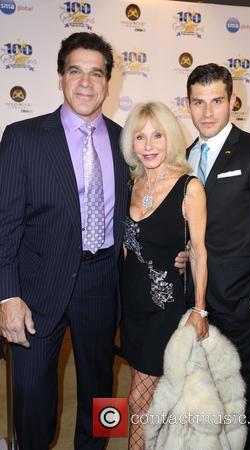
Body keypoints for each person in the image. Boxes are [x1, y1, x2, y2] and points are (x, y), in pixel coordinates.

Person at [0, 32, 129, 450]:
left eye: (97, 73)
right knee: (31, 393)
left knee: (102, 387)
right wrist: (7, 296)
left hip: (102, 279)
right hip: (36, 286)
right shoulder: (22, 137)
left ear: (108, 82)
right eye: (76, 71)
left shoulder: (126, 141)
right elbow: (4, 224)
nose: (87, 83)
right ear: (60, 77)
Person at [185, 63, 250, 450]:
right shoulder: (187, 155)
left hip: (241, 302)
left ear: (231, 102)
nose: (207, 112)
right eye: (199, 102)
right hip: (195, 303)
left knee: (246, 399)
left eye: (216, 101)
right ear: (188, 104)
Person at [119, 101, 209, 449]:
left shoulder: (190, 188)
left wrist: (199, 309)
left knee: (139, 400)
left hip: (165, 311)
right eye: (140, 137)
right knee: (153, 399)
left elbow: (199, 252)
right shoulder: (130, 185)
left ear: (170, 139)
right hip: (131, 308)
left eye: (157, 135)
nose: (149, 145)